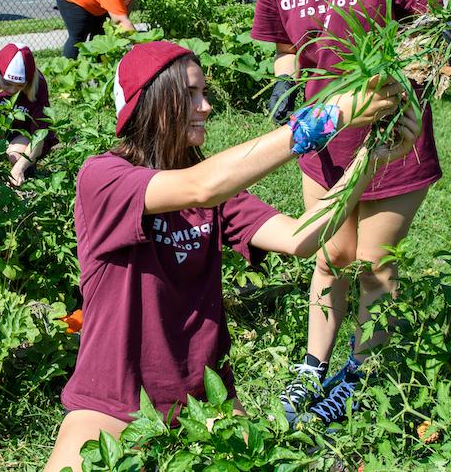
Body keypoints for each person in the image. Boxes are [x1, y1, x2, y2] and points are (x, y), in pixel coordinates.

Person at [42, 41, 419, 472]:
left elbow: (302, 238)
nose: (205, 107)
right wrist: (329, 116)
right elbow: (201, 185)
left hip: (206, 401)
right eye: (190, 94)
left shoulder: (218, 195)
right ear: (151, 101)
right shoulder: (105, 178)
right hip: (112, 398)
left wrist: (368, 159)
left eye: (205, 94)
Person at [247, 0, 443, 426]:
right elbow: (284, 44)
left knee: (377, 263)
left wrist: (405, 92)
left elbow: (429, 39)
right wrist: (285, 80)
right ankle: (314, 363)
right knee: (331, 254)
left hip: (392, 137)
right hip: (323, 140)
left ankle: (359, 374)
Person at [0, 42, 58, 186]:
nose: (12, 90)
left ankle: (23, 175)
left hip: (21, 133)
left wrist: (19, 168)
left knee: (16, 156)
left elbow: (39, 135)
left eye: (20, 85)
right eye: (7, 83)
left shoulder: (38, 84)